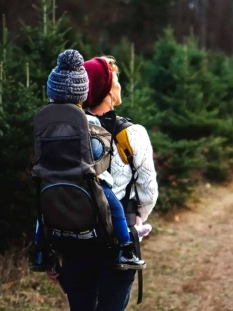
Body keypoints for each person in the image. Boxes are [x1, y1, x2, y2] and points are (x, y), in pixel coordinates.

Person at [47, 52, 158, 311]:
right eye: (116, 78)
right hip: (117, 243)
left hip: (74, 238)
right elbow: (149, 191)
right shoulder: (132, 133)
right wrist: (137, 220)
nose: (120, 83)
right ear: (108, 88)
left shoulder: (67, 131)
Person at [31, 49, 146, 272]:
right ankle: (125, 249)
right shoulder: (88, 120)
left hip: (50, 177)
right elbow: (96, 151)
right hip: (84, 177)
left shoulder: (44, 119)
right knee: (114, 207)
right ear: (82, 93)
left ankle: (39, 251)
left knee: (42, 211)